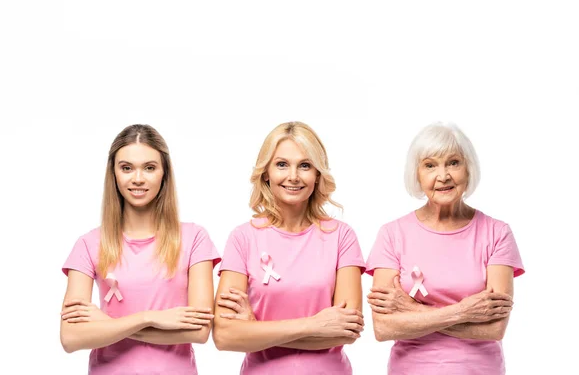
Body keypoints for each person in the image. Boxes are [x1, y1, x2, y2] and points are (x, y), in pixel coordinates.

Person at [60, 124, 221, 375]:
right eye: (126, 168)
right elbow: (71, 338)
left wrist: (107, 325)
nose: (137, 179)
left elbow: (199, 332)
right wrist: (148, 318)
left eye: (149, 167)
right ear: (113, 174)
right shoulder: (88, 244)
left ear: (164, 173)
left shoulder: (194, 238)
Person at [366, 122, 525, 375]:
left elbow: (495, 328)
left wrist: (413, 311)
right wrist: (464, 311)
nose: (443, 176)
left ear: (468, 169)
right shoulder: (392, 234)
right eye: (430, 165)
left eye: (453, 162)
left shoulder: (497, 233)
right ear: (417, 174)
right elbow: (384, 328)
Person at [213, 121, 365, 375]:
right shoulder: (243, 238)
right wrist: (315, 325)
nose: (293, 176)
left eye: (305, 165)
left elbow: (345, 331)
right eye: (282, 164)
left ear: (317, 174)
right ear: (266, 173)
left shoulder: (341, 236)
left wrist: (255, 328)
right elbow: (224, 336)